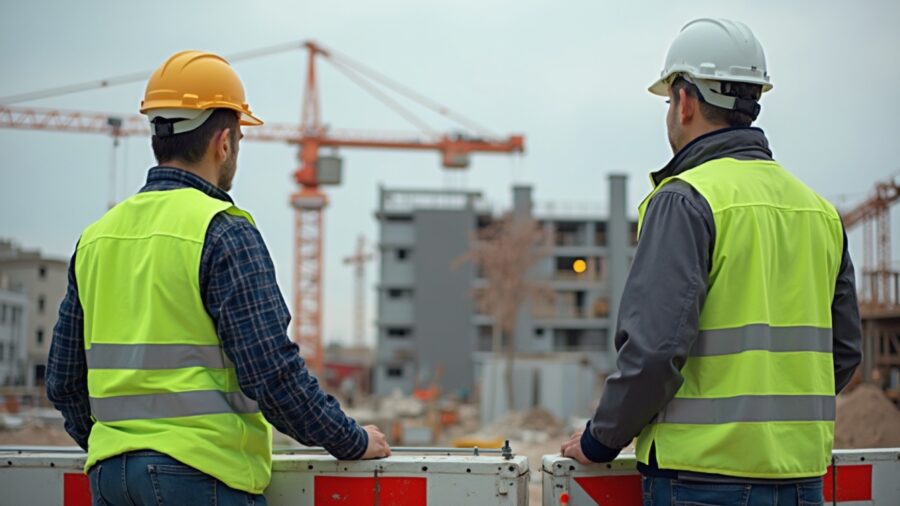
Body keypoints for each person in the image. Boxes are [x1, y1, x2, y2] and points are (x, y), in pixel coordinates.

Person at [46, 50, 390, 506]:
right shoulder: (223, 230)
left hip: (110, 480)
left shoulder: (96, 238)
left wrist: (113, 447)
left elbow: (63, 381)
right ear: (223, 143)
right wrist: (351, 440)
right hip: (199, 477)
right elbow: (272, 373)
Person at [561, 18, 862, 505]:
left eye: (667, 101)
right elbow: (843, 352)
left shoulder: (686, 199)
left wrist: (601, 439)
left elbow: (655, 353)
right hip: (802, 478)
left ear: (684, 101)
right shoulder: (818, 211)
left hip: (699, 480)